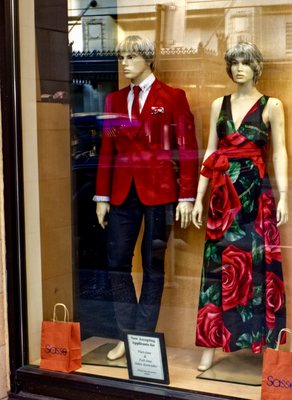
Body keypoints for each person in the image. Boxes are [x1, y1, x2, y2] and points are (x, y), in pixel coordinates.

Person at [94, 35, 198, 361]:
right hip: (122, 191)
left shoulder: (172, 97)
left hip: (160, 192)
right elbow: (107, 150)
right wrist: (101, 196)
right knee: (117, 263)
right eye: (122, 57)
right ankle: (126, 336)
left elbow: (187, 148)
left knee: (153, 266)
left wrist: (186, 196)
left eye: (131, 57)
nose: (124, 63)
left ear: (147, 59)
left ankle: (142, 338)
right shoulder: (114, 100)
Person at [192, 42, 288, 371]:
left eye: (245, 62)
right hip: (222, 199)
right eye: (234, 63)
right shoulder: (218, 104)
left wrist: (284, 195)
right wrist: (199, 196)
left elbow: (279, 152)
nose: (239, 68)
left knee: (258, 266)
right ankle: (211, 343)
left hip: (255, 197)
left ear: (256, 67)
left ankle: (263, 343)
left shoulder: (271, 105)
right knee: (218, 266)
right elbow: (210, 151)